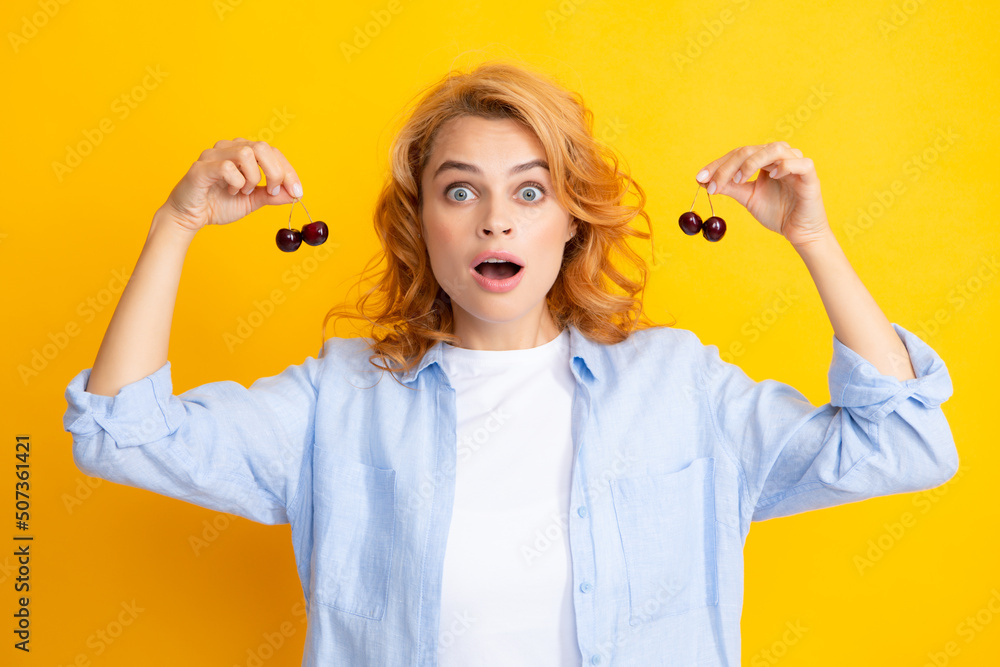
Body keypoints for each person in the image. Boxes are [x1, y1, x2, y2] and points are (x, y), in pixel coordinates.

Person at [63, 60, 959, 667]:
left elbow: (907, 444)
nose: (496, 218)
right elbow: (120, 434)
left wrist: (813, 239)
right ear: (423, 222)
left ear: (571, 220)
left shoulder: (678, 387)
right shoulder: (339, 398)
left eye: (530, 191)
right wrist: (177, 223)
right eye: (461, 190)